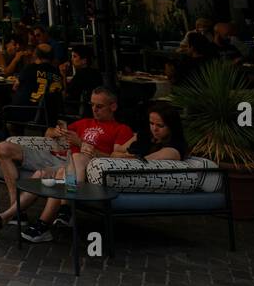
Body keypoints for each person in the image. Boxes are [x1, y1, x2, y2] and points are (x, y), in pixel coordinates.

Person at [20, 100, 183, 243]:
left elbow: (140, 162)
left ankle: (49, 220)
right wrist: (125, 154)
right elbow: (117, 152)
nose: (154, 129)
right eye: (151, 123)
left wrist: (123, 155)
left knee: (70, 166)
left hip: (118, 175)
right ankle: (59, 214)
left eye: (159, 125)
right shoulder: (145, 137)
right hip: (101, 167)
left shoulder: (172, 150)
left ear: (172, 126)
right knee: (68, 168)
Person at [0, 86, 134, 238]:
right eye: (92, 105)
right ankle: (12, 214)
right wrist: (55, 132)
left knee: (48, 173)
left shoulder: (121, 129)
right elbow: (47, 133)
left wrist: (81, 144)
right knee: (3, 147)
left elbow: (115, 158)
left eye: (99, 106)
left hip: (81, 165)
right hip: (59, 156)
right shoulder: (84, 122)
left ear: (113, 106)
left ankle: (40, 222)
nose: (94, 109)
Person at [64, 44, 103, 114]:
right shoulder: (96, 73)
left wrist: (63, 74)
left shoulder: (81, 74)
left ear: (84, 60)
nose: (72, 59)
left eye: (74, 56)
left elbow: (67, 94)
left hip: (79, 109)